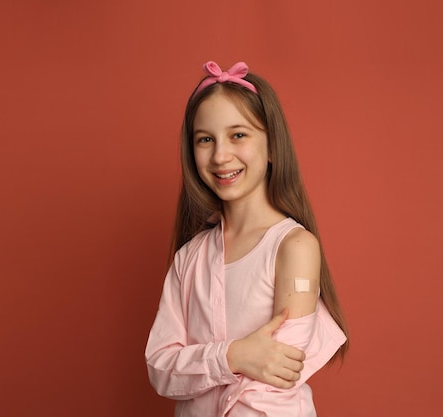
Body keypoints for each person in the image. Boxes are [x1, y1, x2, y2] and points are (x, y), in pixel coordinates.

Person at [145, 61, 349, 417]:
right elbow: (160, 368)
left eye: (238, 135)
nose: (221, 155)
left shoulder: (295, 248)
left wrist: (198, 365)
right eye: (205, 139)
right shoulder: (189, 257)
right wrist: (234, 355)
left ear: (272, 147)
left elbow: (275, 378)